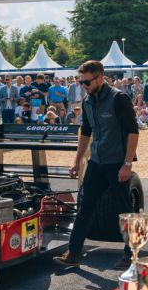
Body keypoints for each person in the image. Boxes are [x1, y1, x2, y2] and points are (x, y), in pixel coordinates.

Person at [54, 60, 139, 269]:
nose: (84, 86)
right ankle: (73, 253)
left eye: (87, 82)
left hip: (117, 162)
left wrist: (127, 163)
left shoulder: (119, 99)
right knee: (84, 208)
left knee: (125, 211)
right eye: (81, 82)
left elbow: (133, 132)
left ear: (100, 78)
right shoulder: (87, 101)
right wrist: (76, 162)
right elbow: (85, 132)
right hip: (96, 162)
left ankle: (131, 255)